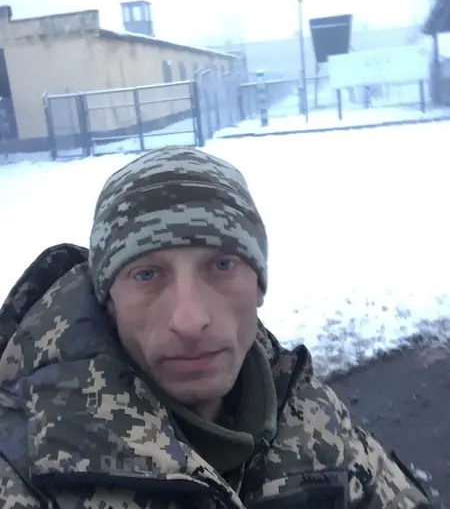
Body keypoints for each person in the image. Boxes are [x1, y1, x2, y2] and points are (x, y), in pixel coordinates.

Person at [0, 145, 431, 509]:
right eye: (147, 275)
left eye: (222, 265)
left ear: (258, 285)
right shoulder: (24, 463)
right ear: (108, 301)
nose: (190, 321)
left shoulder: (309, 415)